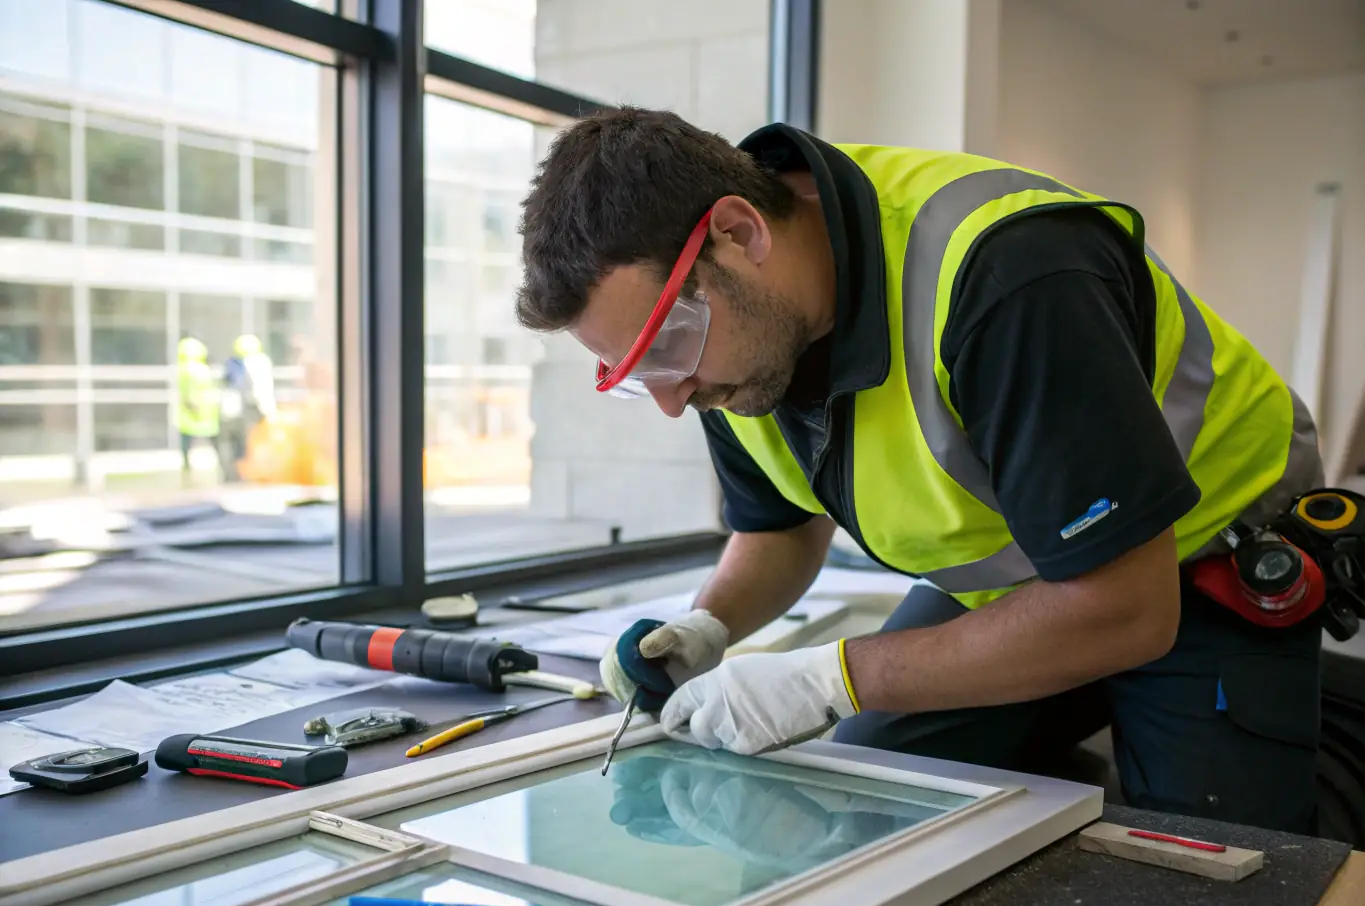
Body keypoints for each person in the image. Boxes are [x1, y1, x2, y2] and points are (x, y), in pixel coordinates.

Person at [514, 108, 1328, 835]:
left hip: (1203, 563)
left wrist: (832, 678)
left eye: (666, 344)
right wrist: (708, 626)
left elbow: (1124, 610)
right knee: (870, 805)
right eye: (636, 374)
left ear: (739, 233)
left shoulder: (1006, 273)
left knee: (1220, 869)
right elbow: (780, 531)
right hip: (1017, 581)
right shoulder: (733, 354)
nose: (671, 396)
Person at [218, 334, 276, 481]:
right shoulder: (258, 362)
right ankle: (249, 472)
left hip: (244, 410)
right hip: (252, 409)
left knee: (244, 443)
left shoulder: (239, 363)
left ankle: (243, 473)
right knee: (249, 442)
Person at [175, 335, 220, 482]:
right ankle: (224, 469)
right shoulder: (198, 370)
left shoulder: (183, 369)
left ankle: (186, 470)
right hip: (203, 412)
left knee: (187, 446)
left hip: (192, 414)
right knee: (213, 443)